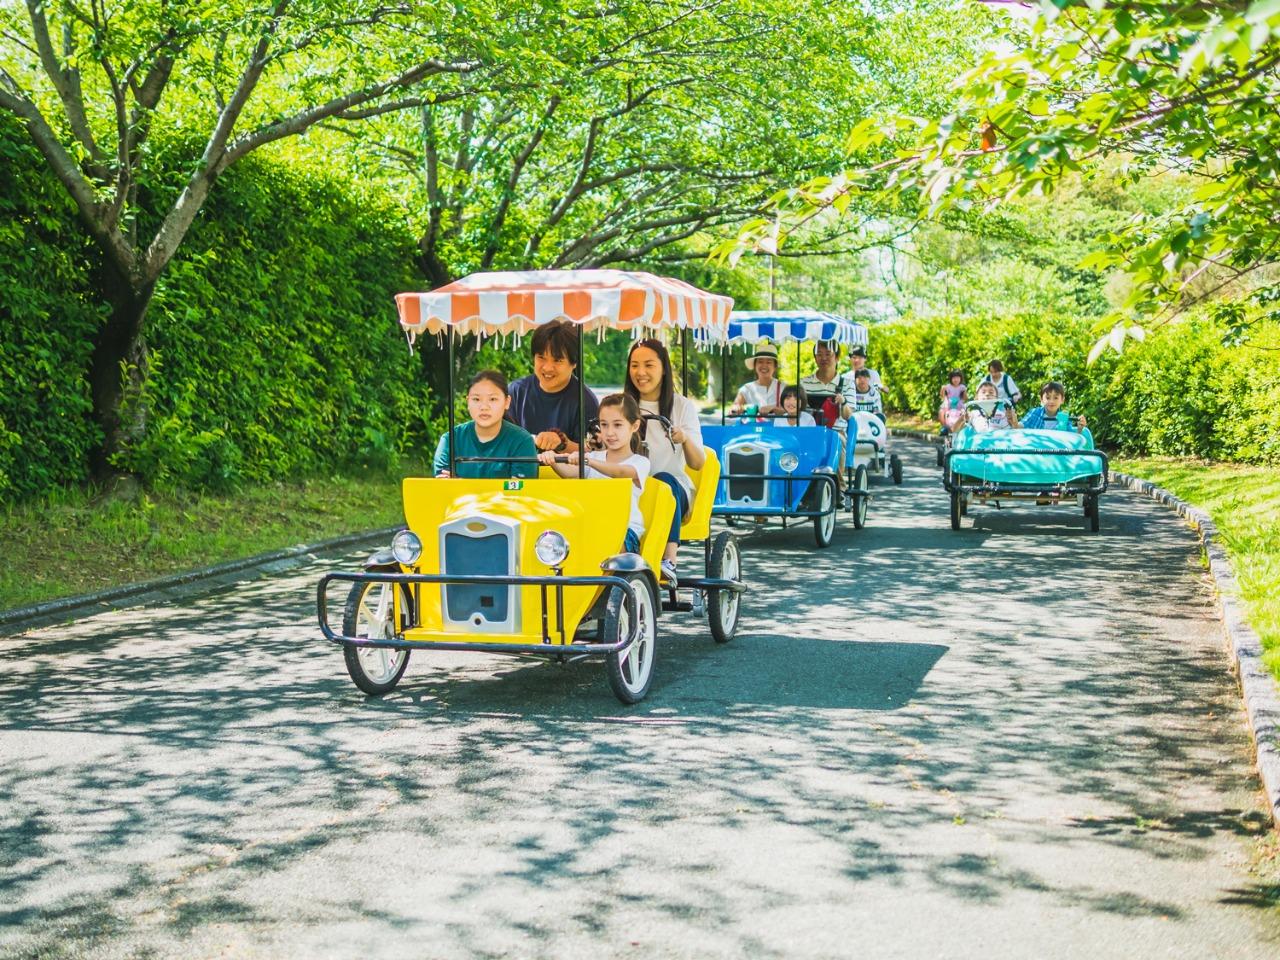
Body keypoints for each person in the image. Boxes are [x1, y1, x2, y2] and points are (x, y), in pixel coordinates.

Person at [624, 338, 704, 582]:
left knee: (663, 482)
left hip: (673, 488)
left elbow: (698, 463)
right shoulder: (623, 405)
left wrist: (684, 438)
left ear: (663, 368)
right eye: (635, 365)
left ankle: (669, 558)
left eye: (649, 365)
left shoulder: (681, 406)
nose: (641, 372)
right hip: (632, 486)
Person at [539, 393, 650, 554]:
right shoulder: (593, 457)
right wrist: (553, 458)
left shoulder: (639, 462)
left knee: (604, 544)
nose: (610, 432)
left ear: (634, 426)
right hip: (592, 527)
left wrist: (587, 461)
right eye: (604, 425)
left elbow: (620, 472)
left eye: (617, 425)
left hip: (625, 530)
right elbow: (570, 473)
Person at [507, 319, 600, 454]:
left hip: (564, 474)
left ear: (574, 363)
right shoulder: (515, 392)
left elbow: (594, 453)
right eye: (541, 357)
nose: (548, 367)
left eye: (557, 360)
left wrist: (562, 443)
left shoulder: (586, 401)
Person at [434, 370, 539, 479]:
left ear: (507, 402)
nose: (484, 407)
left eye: (492, 399)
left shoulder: (522, 441)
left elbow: (519, 491)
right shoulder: (450, 440)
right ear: (468, 402)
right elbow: (444, 488)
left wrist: (461, 484)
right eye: (476, 399)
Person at [730, 342, 786, 416]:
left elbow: (791, 409)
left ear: (775, 367)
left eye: (769, 362)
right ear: (755, 365)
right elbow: (734, 407)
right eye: (760, 362)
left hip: (777, 427)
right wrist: (736, 408)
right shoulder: (747, 388)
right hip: (752, 427)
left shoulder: (783, 387)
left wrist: (773, 409)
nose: (764, 365)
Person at [1020, 381, 1087, 432]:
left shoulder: (1065, 418)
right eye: (1048, 398)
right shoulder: (1035, 413)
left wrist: (1080, 429)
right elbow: (1020, 426)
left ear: (1062, 400)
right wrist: (1014, 422)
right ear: (1041, 400)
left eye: (1055, 398)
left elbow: (1069, 440)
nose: (1051, 401)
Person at [938, 369, 968, 434]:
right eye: (954, 378)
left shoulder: (962, 387)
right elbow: (942, 396)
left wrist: (965, 391)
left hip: (959, 405)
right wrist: (942, 389)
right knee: (941, 412)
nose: (956, 379)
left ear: (960, 378)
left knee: (966, 412)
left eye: (957, 377)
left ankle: (964, 427)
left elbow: (965, 398)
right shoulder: (948, 386)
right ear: (951, 379)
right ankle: (944, 427)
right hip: (949, 404)